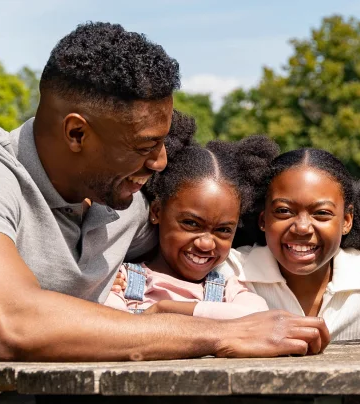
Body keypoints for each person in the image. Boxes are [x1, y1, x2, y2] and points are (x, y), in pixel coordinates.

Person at [0, 23, 328, 404]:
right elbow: (12, 325)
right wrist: (220, 334)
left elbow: (226, 224)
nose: (160, 161)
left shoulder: (128, 204)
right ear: (77, 134)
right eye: (146, 145)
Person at [219, 148, 360, 341]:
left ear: (347, 221)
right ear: (263, 219)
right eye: (284, 211)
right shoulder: (230, 272)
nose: (302, 228)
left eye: (321, 213)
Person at [103, 115, 276, 319]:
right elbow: (109, 321)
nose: (205, 243)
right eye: (191, 224)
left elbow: (257, 316)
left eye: (223, 230)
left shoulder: (228, 289)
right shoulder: (121, 280)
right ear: (157, 212)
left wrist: (167, 310)